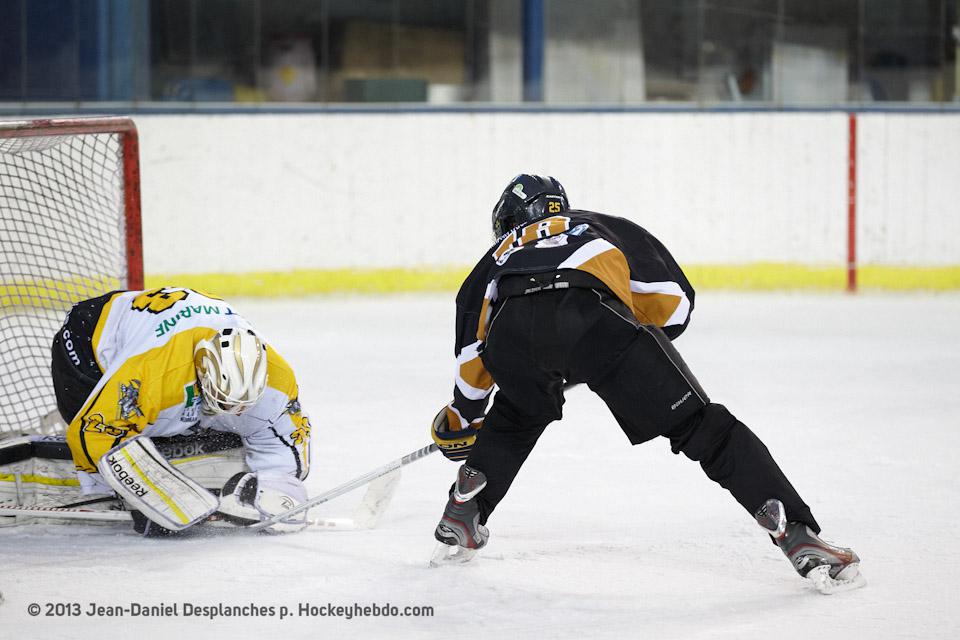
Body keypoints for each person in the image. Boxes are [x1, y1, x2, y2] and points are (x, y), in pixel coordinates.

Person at [429, 174, 864, 593]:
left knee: (518, 408)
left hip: (512, 333)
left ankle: (465, 509)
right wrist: (620, 349)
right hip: (594, 318)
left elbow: (473, 346)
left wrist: (462, 418)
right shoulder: (596, 225)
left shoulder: (496, 256)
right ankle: (794, 530)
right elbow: (675, 302)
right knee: (703, 428)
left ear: (506, 222)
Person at [51, 286, 312, 535]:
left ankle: (165, 441)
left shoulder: (277, 378)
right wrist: (144, 495)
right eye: (221, 402)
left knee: (236, 424)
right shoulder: (150, 374)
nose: (236, 413)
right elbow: (96, 431)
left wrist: (277, 492)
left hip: (178, 347)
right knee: (111, 433)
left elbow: (286, 453)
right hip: (88, 339)